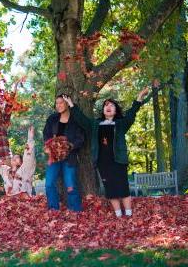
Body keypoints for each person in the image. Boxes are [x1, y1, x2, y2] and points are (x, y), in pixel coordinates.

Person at [63, 87, 150, 217]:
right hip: (102, 162)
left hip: (119, 160)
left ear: (116, 110)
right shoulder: (95, 125)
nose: (108, 107)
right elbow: (81, 119)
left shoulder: (121, 124)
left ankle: (129, 214)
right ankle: (119, 215)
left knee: (123, 187)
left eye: (111, 105)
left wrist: (139, 97)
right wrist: (71, 104)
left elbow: (132, 113)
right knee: (110, 189)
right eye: (106, 105)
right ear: (103, 110)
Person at [43, 94, 85, 212]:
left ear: (67, 103)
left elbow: (81, 138)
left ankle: (75, 210)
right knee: (49, 184)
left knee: (70, 185)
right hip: (54, 156)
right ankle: (53, 209)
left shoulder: (75, 119)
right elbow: (46, 134)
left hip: (69, 157)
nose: (58, 105)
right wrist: (48, 146)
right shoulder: (52, 118)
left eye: (61, 102)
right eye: (57, 103)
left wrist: (69, 146)